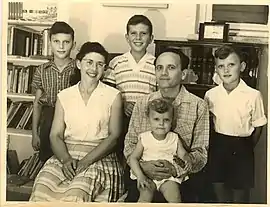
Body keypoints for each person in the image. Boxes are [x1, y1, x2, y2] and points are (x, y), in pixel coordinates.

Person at [29, 42, 124, 202]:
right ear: (79, 64)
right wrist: (66, 160)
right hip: (65, 154)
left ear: (105, 68)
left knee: (76, 195)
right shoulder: (64, 95)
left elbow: (114, 137)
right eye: (89, 62)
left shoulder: (113, 95)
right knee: (40, 190)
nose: (94, 69)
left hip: (98, 155)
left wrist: (85, 162)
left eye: (100, 64)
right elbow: (55, 135)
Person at [124, 48, 209, 202]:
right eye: (159, 68)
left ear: (183, 74)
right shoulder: (143, 103)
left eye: (171, 67)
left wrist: (175, 169)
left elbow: (201, 153)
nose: (164, 73)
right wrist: (144, 167)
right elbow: (129, 145)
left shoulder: (199, 105)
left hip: (180, 180)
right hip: (144, 176)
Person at [204, 45, 267, 203]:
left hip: (242, 147)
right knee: (218, 191)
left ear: (242, 67)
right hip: (218, 146)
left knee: (239, 196)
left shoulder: (253, 95)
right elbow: (208, 124)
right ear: (216, 70)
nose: (226, 70)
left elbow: (259, 126)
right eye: (221, 66)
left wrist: (245, 146)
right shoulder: (211, 95)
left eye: (231, 65)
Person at [102, 14, 156, 134]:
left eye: (143, 33)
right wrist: (123, 105)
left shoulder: (156, 64)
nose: (138, 38)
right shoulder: (116, 62)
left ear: (151, 38)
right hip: (121, 118)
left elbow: (159, 94)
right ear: (127, 37)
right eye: (133, 33)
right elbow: (107, 92)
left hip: (147, 119)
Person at [31, 21, 76, 162]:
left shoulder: (79, 68)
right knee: (47, 158)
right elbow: (37, 104)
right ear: (50, 43)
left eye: (66, 42)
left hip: (72, 118)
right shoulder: (42, 70)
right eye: (56, 41)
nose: (61, 46)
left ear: (73, 45)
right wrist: (34, 133)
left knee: (69, 156)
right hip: (49, 118)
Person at [129, 98, 187, 203]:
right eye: (156, 119)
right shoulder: (144, 138)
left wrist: (186, 159)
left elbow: (183, 154)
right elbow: (133, 158)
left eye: (166, 120)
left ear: (172, 121)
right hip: (147, 176)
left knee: (175, 197)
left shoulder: (174, 138)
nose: (161, 124)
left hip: (168, 177)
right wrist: (140, 175)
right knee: (145, 196)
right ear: (149, 120)